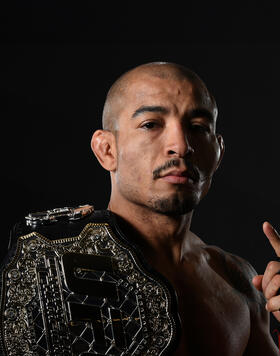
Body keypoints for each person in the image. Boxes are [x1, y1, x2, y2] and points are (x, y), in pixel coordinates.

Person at [90, 61, 280, 355]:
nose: (180, 146)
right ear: (107, 150)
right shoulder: (61, 268)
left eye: (198, 127)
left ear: (217, 153)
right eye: (151, 124)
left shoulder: (238, 280)